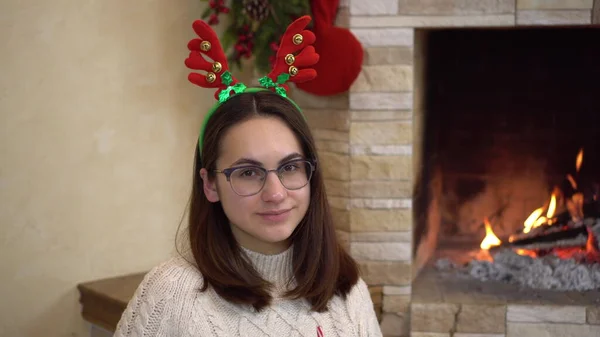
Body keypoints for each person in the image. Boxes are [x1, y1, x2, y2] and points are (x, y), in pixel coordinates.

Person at [113, 15, 382, 337]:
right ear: (210, 184)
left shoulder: (346, 288)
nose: (275, 193)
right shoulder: (171, 296)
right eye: (248, 172)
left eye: (290, 167)